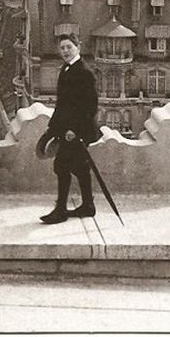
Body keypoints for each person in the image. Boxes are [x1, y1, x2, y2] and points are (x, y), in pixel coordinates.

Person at [40, 33, 99, 224]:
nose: (65, 51)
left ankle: (60, 210)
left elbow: (89, 106)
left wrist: (75, 130)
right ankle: (88, 206)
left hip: (76, 132)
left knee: (61, 166)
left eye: (69, 47)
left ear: (78, 47)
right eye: (62, 48)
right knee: (80, 168)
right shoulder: (66, 69)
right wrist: (52, 129)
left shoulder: (84, 72)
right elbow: (63, 104)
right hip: (66, 130)